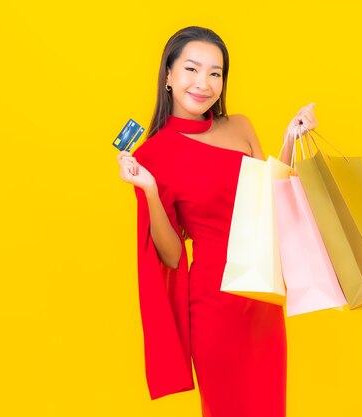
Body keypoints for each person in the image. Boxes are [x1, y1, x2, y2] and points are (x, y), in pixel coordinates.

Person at [116, 26, 317, 417]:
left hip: (262, 300)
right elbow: (172, 256)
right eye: (192, 69)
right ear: (169, 76)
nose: (203, 83)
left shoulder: (240, 126)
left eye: (215, 73)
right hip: (215, 305)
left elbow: (272, 204)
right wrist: (150, 191)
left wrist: (291, 140)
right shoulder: (152, 155)